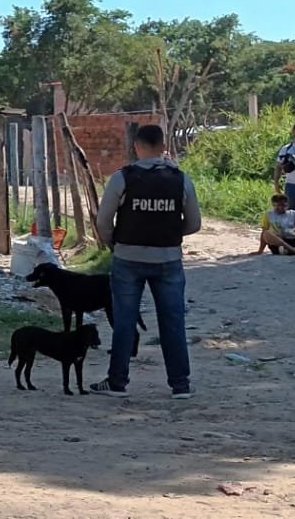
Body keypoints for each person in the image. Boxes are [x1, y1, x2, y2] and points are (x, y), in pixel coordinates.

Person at [91, 124, 201, 400]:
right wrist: (170, 234)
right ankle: (180, 385)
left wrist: (114, 243)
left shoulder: (122, 178)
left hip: (128, 258)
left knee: (124, 322)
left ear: (136, 147)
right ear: (163, 146)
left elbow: (103, 222)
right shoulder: (181, 179)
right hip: (168, 259)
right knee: (173, 322)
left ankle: (117, 382)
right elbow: (194, 224)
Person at [275, 122, 295, 216]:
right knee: (290, 215)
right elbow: (278, 166)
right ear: (293, 132)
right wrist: (276, 183)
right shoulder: (286, 149)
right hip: (291, 186)